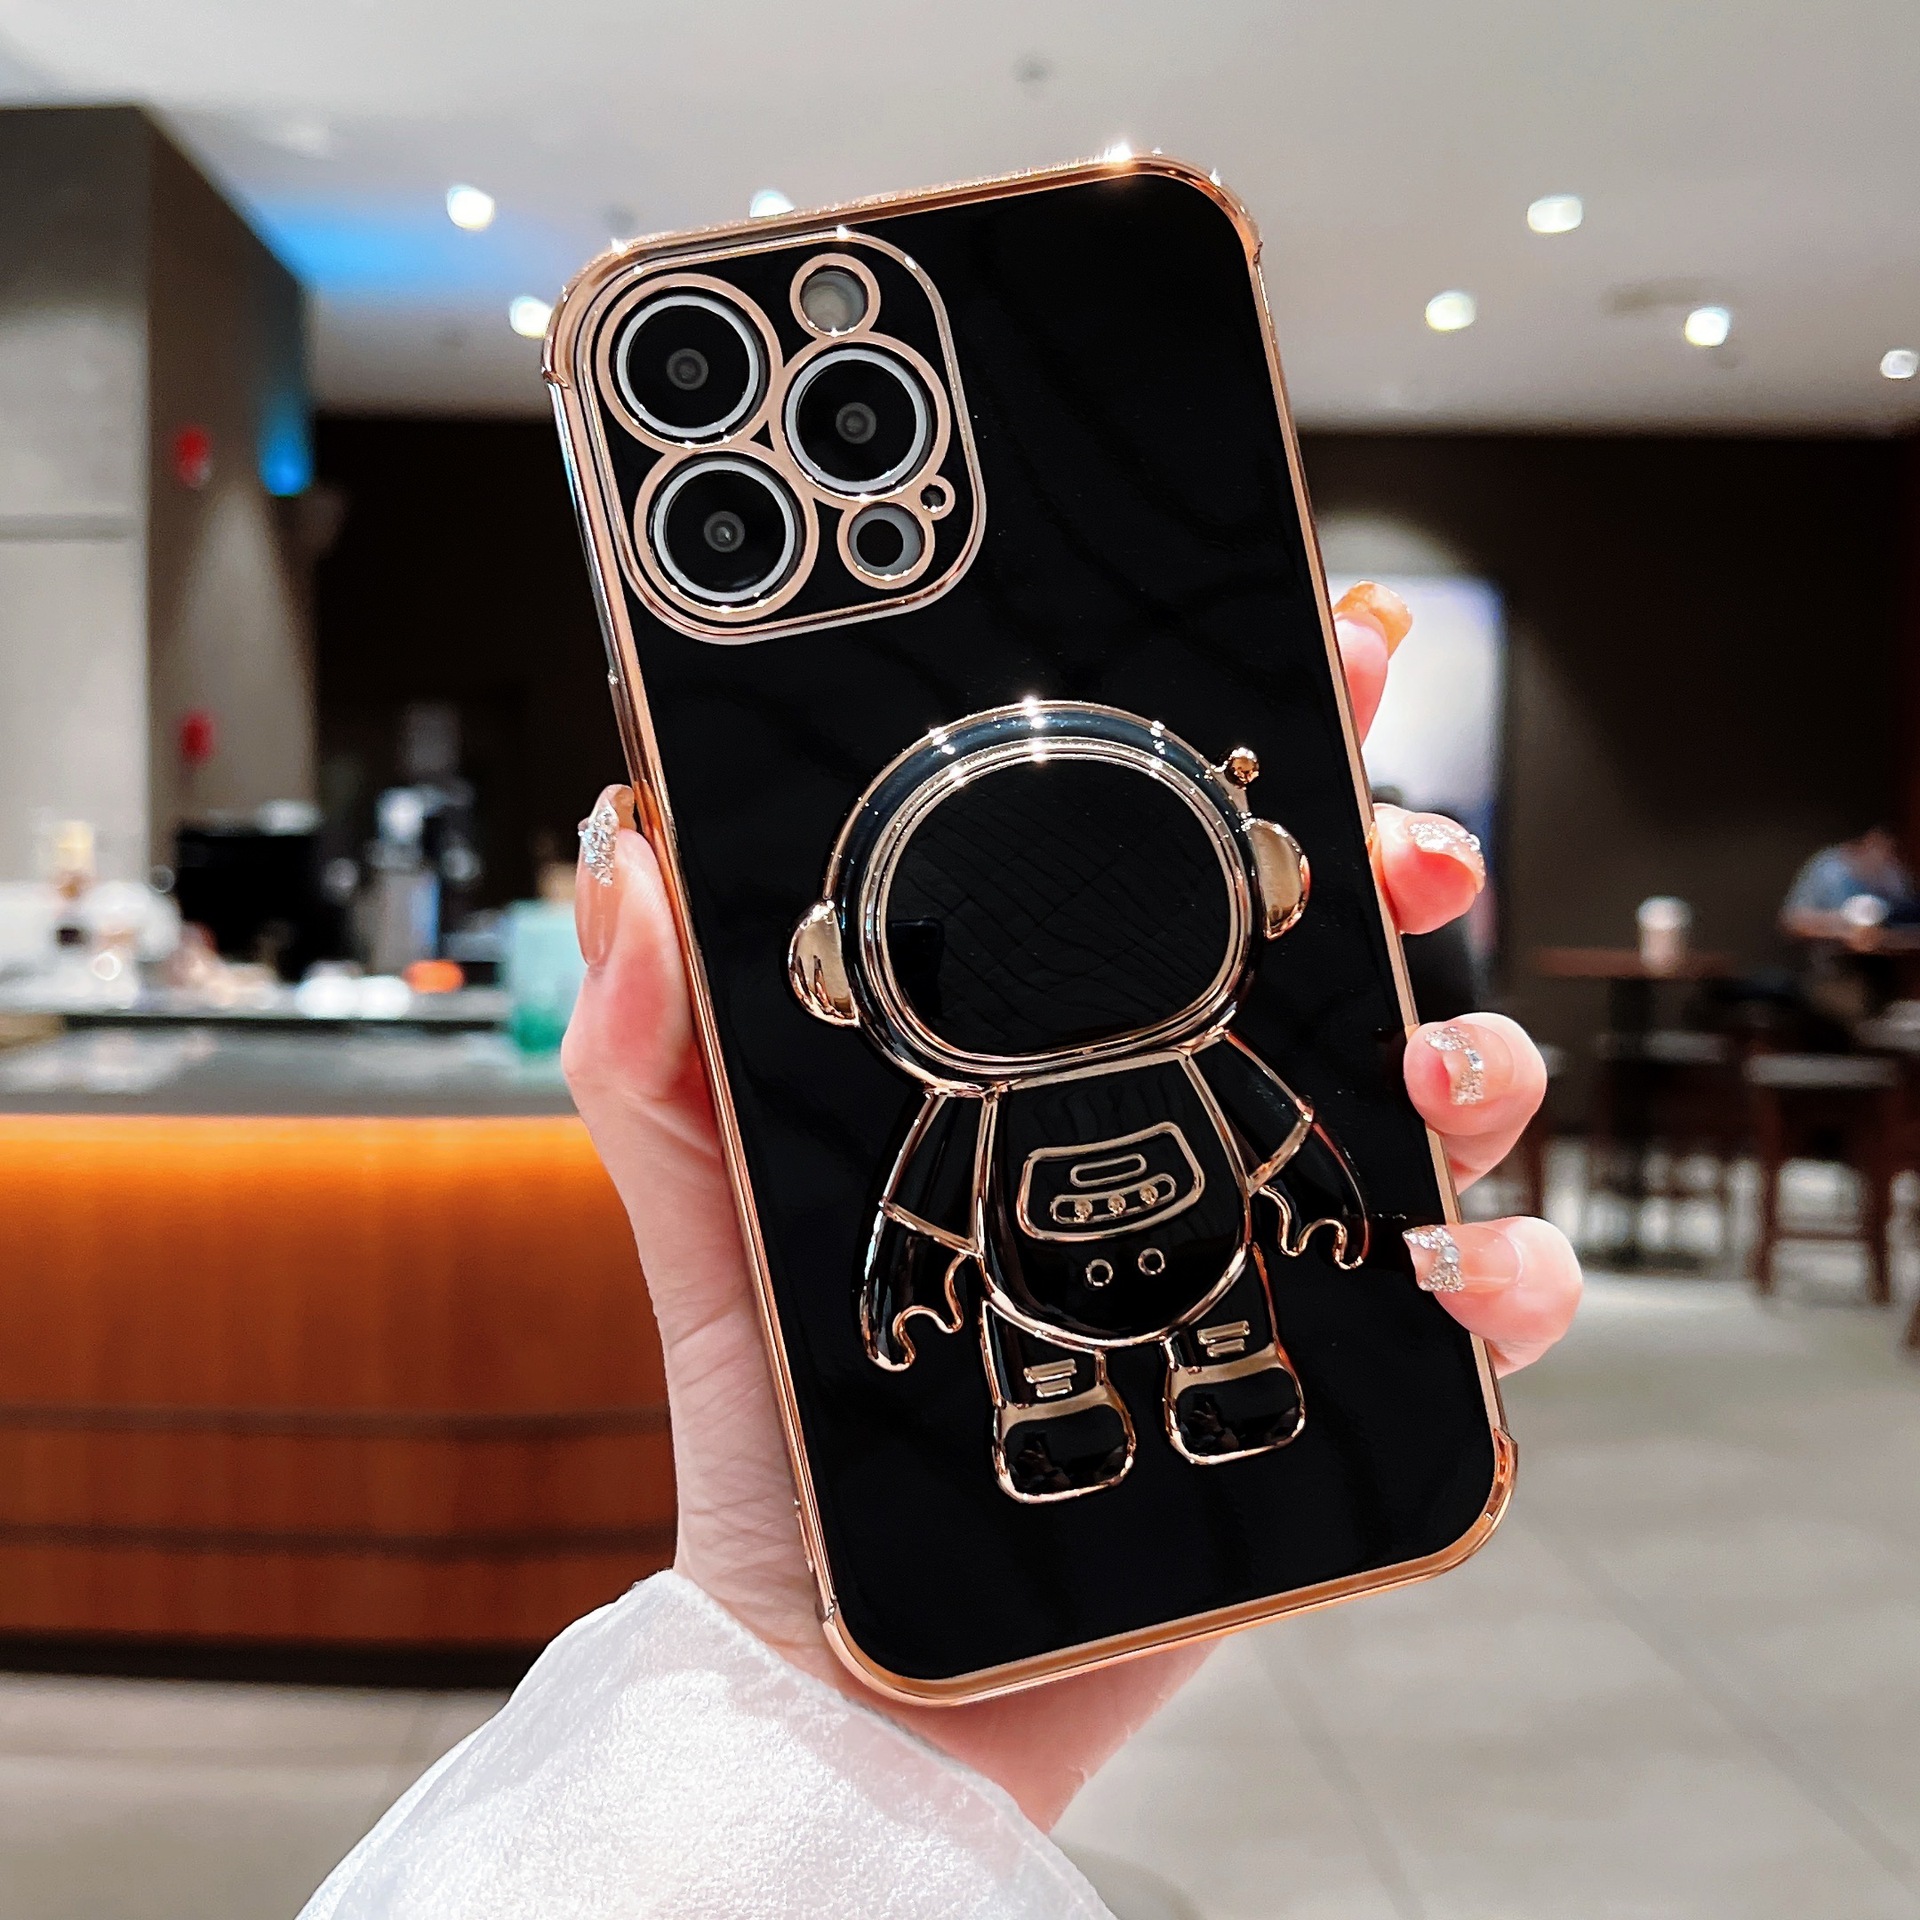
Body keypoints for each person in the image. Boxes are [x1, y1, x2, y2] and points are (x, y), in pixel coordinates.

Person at [300, 584, 1582, 1919]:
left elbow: (1259, 1140)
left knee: (1210, 1330)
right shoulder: (1022, 1099)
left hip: (1191, 1265)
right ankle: (1083, 1401)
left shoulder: (1114, 1077)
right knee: (1076, 1355)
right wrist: (905, 1301)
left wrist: (1325, 1194)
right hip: (1067, 1293)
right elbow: (937, 1216)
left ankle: (1192, 1379)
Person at [1779, 826, 1917, 1027]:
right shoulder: (1828, 869)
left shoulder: (1891, 872)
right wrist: (1843, 930)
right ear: (1863, 844)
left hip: (1888, 979)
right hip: (1836, 978)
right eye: (1879, 847)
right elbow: (1791, 922)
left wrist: (1886, 936)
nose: (1885, 856)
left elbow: (1906, 918)